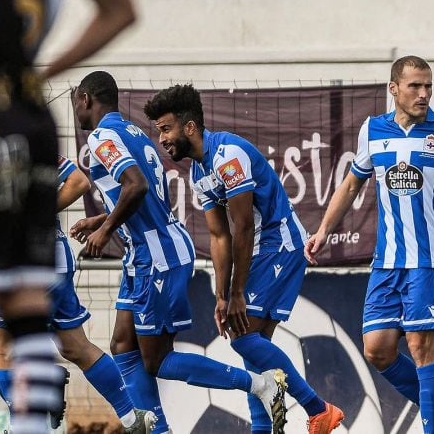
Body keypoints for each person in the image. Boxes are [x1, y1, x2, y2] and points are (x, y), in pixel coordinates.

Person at [0, 0, 135, 431]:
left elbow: (85, 181)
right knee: (26, 320)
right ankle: (116, 418)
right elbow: (121, 10)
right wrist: (45, 70)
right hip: (29, 129)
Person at [69, 71, 289, 434]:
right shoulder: (133, 132)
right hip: (148, 251)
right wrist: (103, 219)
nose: (75, 106)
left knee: (155, 360)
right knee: (123, 344)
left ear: (87, 99)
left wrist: (106, 230)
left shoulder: (102, 138)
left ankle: (260, 385)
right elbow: (146, 196)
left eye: (76, 99)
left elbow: (136, 186)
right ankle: (156, 429)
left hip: (155, 256)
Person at [146, 83, 345, 434]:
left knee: (242, 339)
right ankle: (266, 428)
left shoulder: (229, 155)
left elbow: (243, 229)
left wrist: (237, 294)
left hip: (277, 245)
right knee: (253, 347)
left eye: (165, 129)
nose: (161, 139)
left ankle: (319, 410)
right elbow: (220, 237)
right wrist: (222, 296)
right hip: (257, 252)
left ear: (189, 127)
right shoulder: (197, 171)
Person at [304, 56, 434, 434]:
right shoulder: (373, 130)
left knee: (421, 348)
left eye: (428, 85)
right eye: (415, 86)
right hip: (387, 262)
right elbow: (350, 184)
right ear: (394, 89)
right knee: (377, 349)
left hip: (429, 260)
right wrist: (324, 230)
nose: (424, 93)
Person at [0, 155, 157, 433]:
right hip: (49, 258)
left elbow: (78, 181)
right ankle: (132, 418)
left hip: (35, 261)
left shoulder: (16, 138)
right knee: (75, 347)